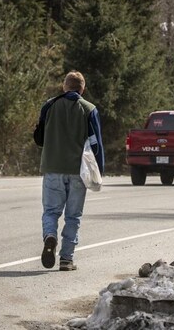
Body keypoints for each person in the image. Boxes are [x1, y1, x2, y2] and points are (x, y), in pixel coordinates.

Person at [37, 71, 104, 271]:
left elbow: (39, 138)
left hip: (52, 168)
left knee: (50, 211)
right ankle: (66, 259)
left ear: (64, 87)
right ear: (82, 89)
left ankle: (50, 235)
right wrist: (99, 170)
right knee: (73, 217)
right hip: (78, 171)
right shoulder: (89, 109)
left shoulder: (49, 105)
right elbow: (96, 144)